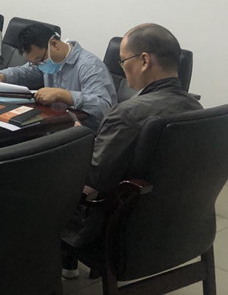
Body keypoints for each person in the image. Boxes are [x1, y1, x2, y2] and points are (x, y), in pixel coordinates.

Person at [61, 24, 202, 275]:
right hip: (181, 227)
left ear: (144, 60)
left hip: (116, 232)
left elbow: (94, 177)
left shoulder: (127, 114)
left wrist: (78, 138)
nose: (122, 68)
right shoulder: (197, 110)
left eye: (124, 61)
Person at [0, 23, 115, 131]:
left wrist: (63, 95)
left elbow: (104, 107)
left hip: (85, 133)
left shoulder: (89, 66)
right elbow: (25, 72)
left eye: (39, 60)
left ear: (54, 44)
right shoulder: (47, 62)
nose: (39, 65)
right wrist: (2, 75)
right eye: (35, 63)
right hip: (55, 124)